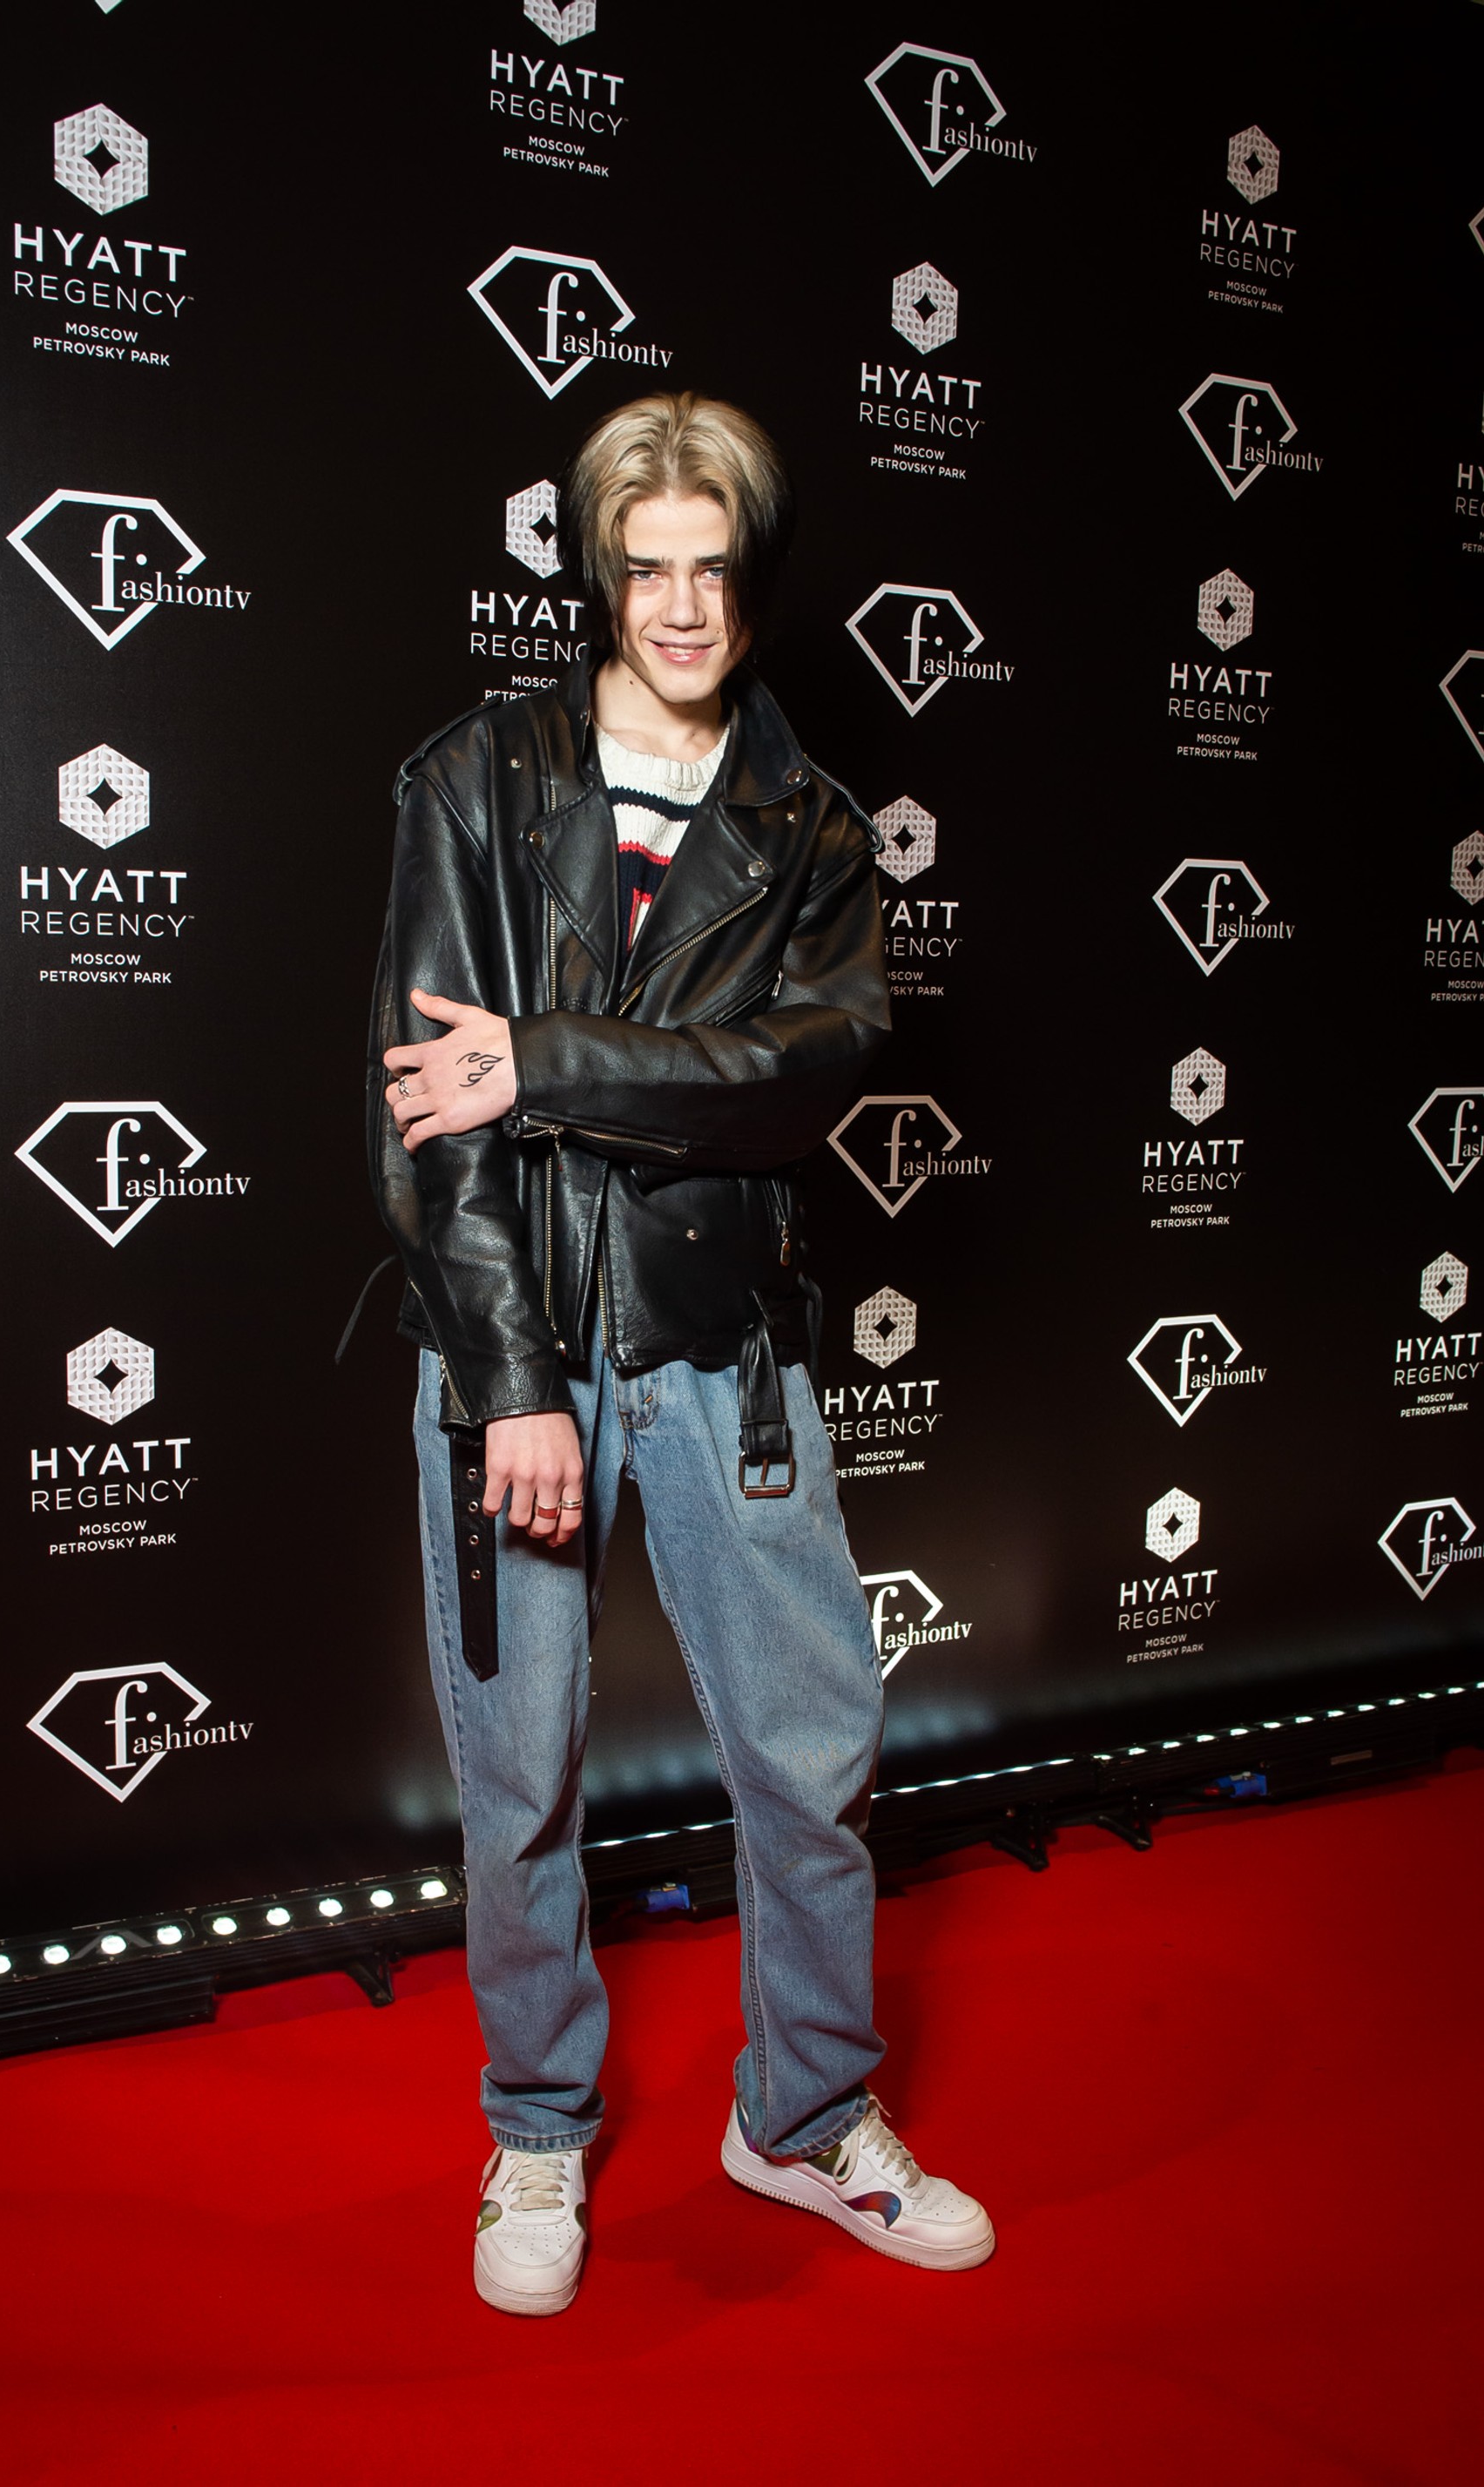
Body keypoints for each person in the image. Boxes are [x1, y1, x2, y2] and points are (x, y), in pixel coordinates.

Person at [368, 392, 993, 2316]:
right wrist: (510, 1385)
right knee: (521, 1775)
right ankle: (538, 2124)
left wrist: (549, 1060)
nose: (680, 606)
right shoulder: (476, 777)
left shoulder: (811, 823)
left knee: (810, 1759)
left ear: (752, 577)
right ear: (599, 575)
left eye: (712, 569)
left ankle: (802, 2119)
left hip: (728, 1343)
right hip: (523, 1337)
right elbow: (430, 1115)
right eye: (646, 569)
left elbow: (801, 1079)